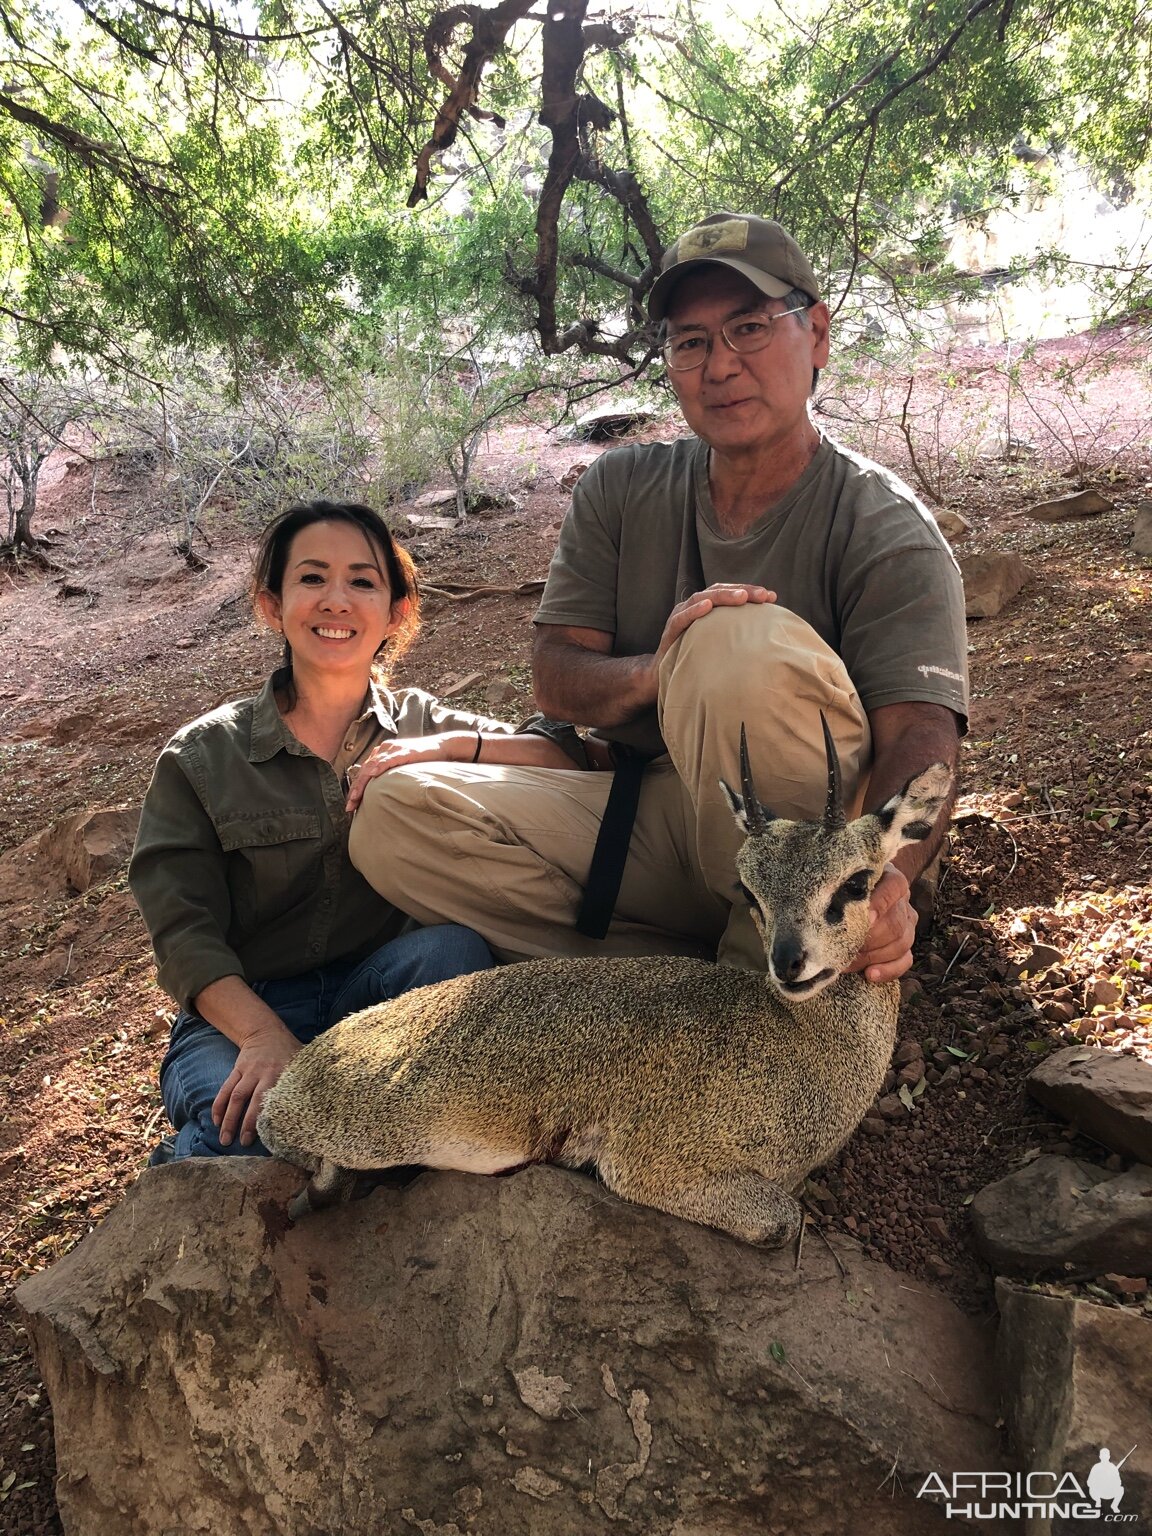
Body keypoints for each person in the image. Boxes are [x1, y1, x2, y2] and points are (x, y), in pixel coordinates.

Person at [348, 212, 968, 982]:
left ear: (816, 333)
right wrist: (658, 670)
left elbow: (919, 730)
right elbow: (556, 673)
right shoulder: (619, 487)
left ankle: (780, 980)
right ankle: (682, 979)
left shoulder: (883, 523)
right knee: (392, 816)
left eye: (748, 327)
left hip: (810, 844)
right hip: (648, 812)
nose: (719, 365)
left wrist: (888, 883)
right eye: (690, 342)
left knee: (732, 639)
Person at [129, 499, 579, 1162]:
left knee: (451, 954)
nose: (336, 600)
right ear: (271, 606)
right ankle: (182, 1183)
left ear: (396, 611)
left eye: (362, 581)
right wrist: (262, 1037)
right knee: (265, 1130)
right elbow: (182, 937)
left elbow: (566, 755)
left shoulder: (423, 725)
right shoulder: (201, 758)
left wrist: (454, 749)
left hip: (382, 994)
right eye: (311, 578)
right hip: (242, 1014)